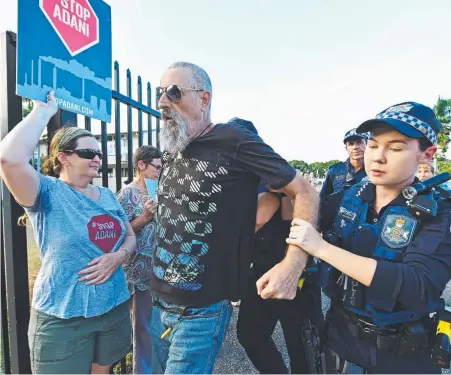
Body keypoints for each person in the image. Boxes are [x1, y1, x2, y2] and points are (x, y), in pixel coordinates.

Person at [149, 62, 319, 374]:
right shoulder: (173, 147)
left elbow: (305, 191)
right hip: (157, 302)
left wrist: (293, 263)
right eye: (159, 93)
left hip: (199, 310)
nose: (162, 101)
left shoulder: (233, 138)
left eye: (173, 92)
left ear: (204, 98)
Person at [287, 102, 451, 373]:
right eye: (373, 145)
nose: (378, 157)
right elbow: (305, 211)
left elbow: (416, 285)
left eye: (395, 148)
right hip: (340, 340)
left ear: (427, 154)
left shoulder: (440, 211)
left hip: (401, 355)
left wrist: (321, 248)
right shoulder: (352, 195)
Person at [0, 92, 136, 374]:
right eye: (88, 153)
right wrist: (42, 112)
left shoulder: (109, 196)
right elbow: (9, 160)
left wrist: (118, 257)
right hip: (63, 315)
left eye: (99, 152)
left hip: (113, 307)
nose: (97, 158)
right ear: (63, 157)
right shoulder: (47, 192)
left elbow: (129, 235)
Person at [237, 179, 323, 374]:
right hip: (261, 273)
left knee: (305, 348)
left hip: (297, 276)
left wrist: (285, 192)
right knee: (251, 335)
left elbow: (262, 218)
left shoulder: (295, 189)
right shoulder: (251, 184)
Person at [116, 145, 161, 374]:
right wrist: (145, 218)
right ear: (141, 165)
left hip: (158, 271)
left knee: (155, 326)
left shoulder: (158, 191)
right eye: (156, 167)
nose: (159, 172)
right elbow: (118, 234)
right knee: (141, 326)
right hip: (136, 272)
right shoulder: (126, 194)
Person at [319, 128, 368, 200]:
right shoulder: (335, 170)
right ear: (346, 148)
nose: (355, 147)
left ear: (367, 145)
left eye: (359, 142)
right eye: (351, 144)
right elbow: (323, 199)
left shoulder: (374, 170)